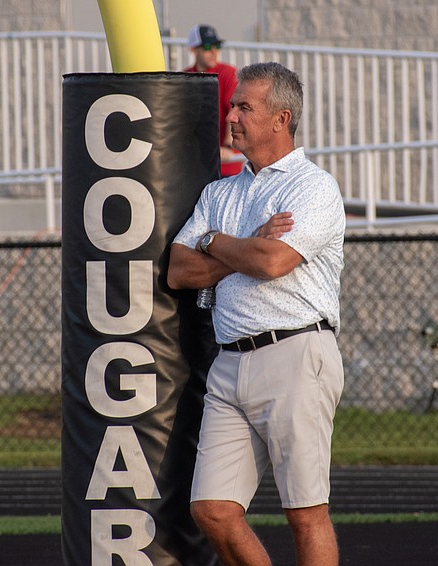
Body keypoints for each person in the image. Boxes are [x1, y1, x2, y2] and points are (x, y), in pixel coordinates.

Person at [167, 62, 346, 565]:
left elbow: (272, 262)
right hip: (229, 363)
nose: (232, 116)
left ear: (280, 119)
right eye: (232, 105)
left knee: (305, 513)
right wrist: (238, 245)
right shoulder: (219, 191)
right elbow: (179, 272)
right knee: (212, 510)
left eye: (245, 106)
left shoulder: (313, 187)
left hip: (296, 354)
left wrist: (214, 243)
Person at [184, 24, 244, 177]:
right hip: (196, 163)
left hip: (225, 162)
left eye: (216, 46)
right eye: (207, 46)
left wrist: (228, 146)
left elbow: (234, 110)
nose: (213, 51)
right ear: (193, 49)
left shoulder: (227, 73)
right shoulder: (185, 76)